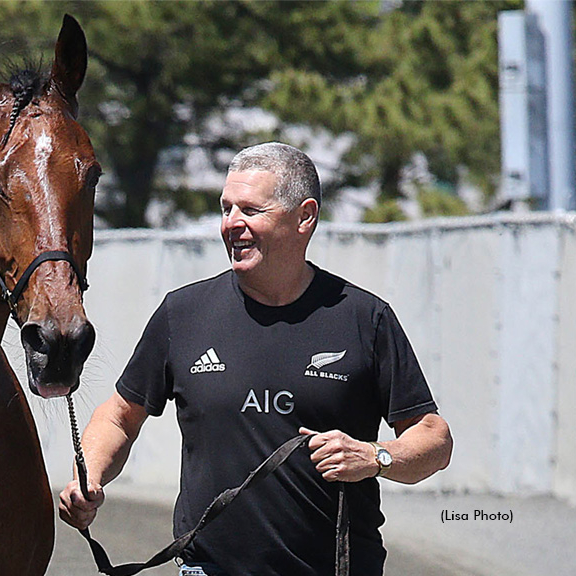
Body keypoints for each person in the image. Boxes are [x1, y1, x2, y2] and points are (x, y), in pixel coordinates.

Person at [58, 142, 453, 576]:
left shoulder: (364, 319)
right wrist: (88, 477)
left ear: (305, 217)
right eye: (226, 209)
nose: (232, 224)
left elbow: (433, 439)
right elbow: (119, 416)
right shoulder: (183, 314)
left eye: (250, 210)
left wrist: (375, 457)